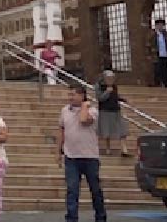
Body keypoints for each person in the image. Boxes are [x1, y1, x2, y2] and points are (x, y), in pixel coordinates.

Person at [58, 86, 106, 222]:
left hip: (90, 157)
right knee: (72, 190)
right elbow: (61, 130)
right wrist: (58, 151)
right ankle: (71, 218)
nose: (70, 97)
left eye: (73, 94)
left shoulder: (92, 111)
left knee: (95, 190)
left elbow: (84, 120)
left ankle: (100, 216)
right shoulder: (64, 111)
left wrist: (85, 106)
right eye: (69, 94)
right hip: (71, 157)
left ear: (82, 95)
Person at [96, 71, 129, 157]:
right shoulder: (99, 86)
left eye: (112, 78)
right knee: (106, 130)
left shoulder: (114, 86)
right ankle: (108, 148)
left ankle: (124, 149)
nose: (110, 80)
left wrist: (122, 99)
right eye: (108, 78)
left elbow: (115, 96)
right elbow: (100, 98)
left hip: (116, 109)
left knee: (122, 129)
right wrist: (107, 92)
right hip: (105, 110)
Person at [150, 19, 167, 88]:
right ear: (156, 26)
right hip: (157, 55)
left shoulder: (166, 34)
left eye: (162, 25)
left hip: (165, 55)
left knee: (166, 70)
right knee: (158, 70)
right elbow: (148, 44)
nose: (160, 27)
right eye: (159, 25)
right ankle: (158, 84)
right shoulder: (153, 35)